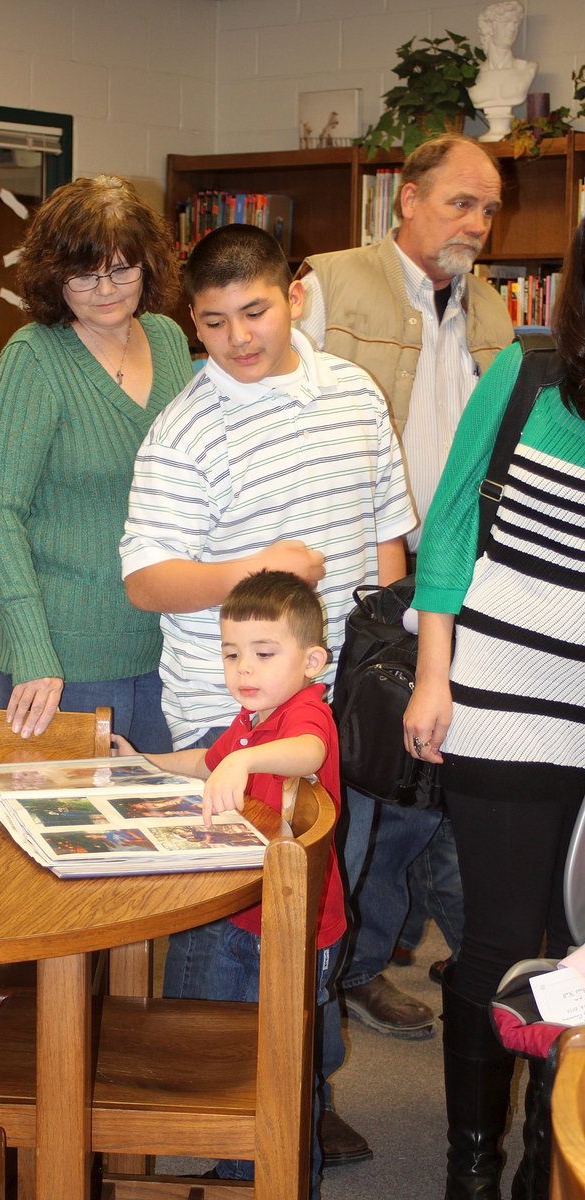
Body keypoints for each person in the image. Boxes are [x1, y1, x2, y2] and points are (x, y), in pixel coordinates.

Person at [120, 222, 415, 1187]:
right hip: (232, 710)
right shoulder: (185, 427)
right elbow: (149, 581)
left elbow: (384, 547)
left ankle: (303, 1098)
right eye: (212, 322)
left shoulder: (355, 394)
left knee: (321, 915)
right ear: (191, 324)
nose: (238, 338)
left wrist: (386, 664)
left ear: (295, 291)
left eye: (255, 310)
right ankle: (216, 1129)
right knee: (229, 930)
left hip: (342, 714)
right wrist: (258, 567)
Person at [296, 133, 514, 1051]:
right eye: (461, 202)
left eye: (489, 207)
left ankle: (370, 960)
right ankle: (335, 981)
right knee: (367, 793)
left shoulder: (493, 304)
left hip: (460, 579)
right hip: (365, 581)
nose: (477, 222)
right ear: (406, 202)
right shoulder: (331, 284)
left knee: (429, 789)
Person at [403, 217, 585, 1200]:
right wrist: (433, 675)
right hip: (503, 701)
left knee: (576, 959)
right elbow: (448, 523)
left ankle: (544, 1165)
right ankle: (469, 1170)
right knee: (500, 940)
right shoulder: (522, 375)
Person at [113, 568, 345, 1186]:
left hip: (291, 924)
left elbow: (310, 756)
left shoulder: (306, 713)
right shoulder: (252, 717)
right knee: (237, 1049)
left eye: (265, 654)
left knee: (274, 1065)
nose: (245, 669)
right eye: (232, 653)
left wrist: (242, 758)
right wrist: (143, 763)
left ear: (312, 660)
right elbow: (203, 761)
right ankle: (242, 1168)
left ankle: (279, 1178)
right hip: (250, 909)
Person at [0, 174, 192, 749]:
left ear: (149, 265)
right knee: (66, 830)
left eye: (122, 269)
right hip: (61, 657)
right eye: (84, 274)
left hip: (165, 644)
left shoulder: (168, 340)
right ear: (53, 274)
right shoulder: (34, 359)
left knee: (157, 827)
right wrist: (33, 649)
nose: (106, 289)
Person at [469, 0, 537, 140]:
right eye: (505, 23)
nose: (512, 29)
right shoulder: (475, 74)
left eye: (515, 24)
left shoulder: (527, 69)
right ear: (489, 29)